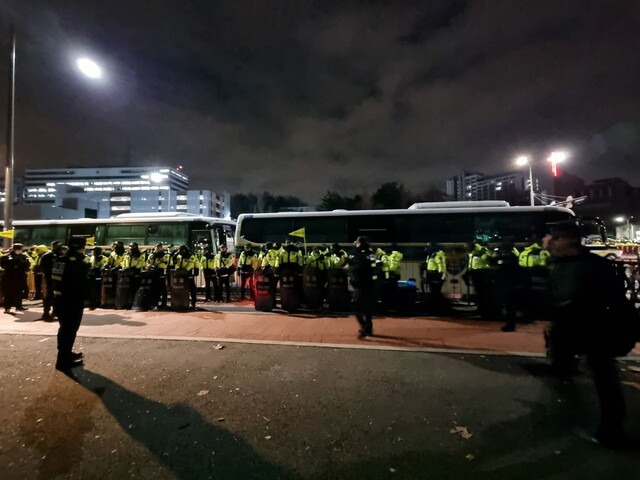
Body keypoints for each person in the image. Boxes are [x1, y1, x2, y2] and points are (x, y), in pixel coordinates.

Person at [545, 220, 631, 448]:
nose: (549, 242)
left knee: (605, 379)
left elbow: (607, 302)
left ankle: (611, 431)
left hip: (596, 332)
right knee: (597, 376)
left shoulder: (591, 266)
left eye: (556, 237)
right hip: (574, 331)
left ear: (571, 240)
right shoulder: (561, 263)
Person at [51, 237, 91, 370]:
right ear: (81, 247)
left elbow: (55, 280)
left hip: (59, 300)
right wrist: (91, 299)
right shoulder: (80, 262)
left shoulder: (59, 260)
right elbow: (83, 283)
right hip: (73, 301)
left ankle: (65, 354)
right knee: (70, 330)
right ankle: (63, 360)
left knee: (64, 328)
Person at [346, 236, 377, 339]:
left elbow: (350, 265)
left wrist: (349, 269)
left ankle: (364, 327)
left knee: (355, 306)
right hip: (371, 284)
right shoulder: (371, 253)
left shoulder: (355, 253)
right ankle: (368, 328)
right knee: (368, 307)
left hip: (360, 284)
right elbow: (374, 266)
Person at [1, 243, 31, 313]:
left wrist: (23, 264)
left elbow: (27, 264)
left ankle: (19, 306)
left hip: (20, 277)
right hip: (9, 278)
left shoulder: (23, 256)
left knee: (19, 292)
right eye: (18, 249)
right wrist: (15, 263)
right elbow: (3, 266)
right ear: (14, 249)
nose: (20, 251)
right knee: (9, 293)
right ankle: (7, 307)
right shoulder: (6, 256)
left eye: (20, 249)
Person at [39, 241, 65, 320]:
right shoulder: (47, 256)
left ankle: (55, 312)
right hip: (51, 279)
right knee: (50, 296)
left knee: (57, 297)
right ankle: (46, 312)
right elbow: (42, 267)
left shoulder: (62, 256)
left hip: (59, 280)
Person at [171, 245, 199, 309]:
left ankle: (193, 303)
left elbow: (190, 265)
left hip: (188, 274)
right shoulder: (179, 256)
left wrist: (184, 270)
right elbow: (175, 263)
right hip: (180, 274)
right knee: (180, 289)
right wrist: (175, 256)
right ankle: (180, 302)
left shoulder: (190, 256)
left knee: (192, 289)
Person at [146, 243, 169, 309]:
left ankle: (163, 304)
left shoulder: (165, 255)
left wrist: (154, 265)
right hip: (153, 273)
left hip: (161, 273)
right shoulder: (152, 255)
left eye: (159, 247)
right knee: (154, 289)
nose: (157, 248)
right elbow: (148, 262)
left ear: (161, 248)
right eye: (156, 247)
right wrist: (148, 265)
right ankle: (154, 303)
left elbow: (164, 264)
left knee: (163, 289)